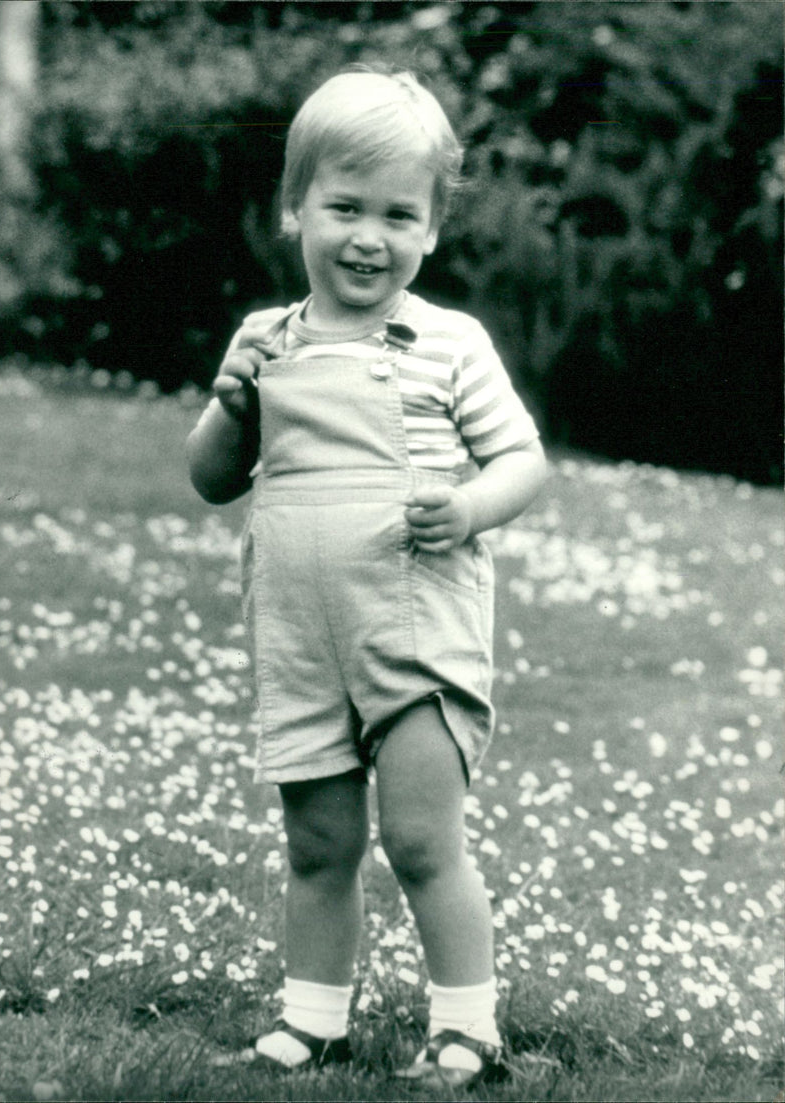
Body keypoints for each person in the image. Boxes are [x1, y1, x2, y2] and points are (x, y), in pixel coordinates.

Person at [187, 66, 546, 1090]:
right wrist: (227, 401)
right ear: (294, 207)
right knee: (317, 838)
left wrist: (469, 506)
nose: (367, 236)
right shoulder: (266, 340)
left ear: (430, 231)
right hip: (300, 634)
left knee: (422, 836)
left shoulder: (446, 344)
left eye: (399, 215)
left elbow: (521, 459)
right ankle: (314, 1018)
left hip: (415, 631)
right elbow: (214, 479)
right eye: (344, 206)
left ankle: (467, 1029)